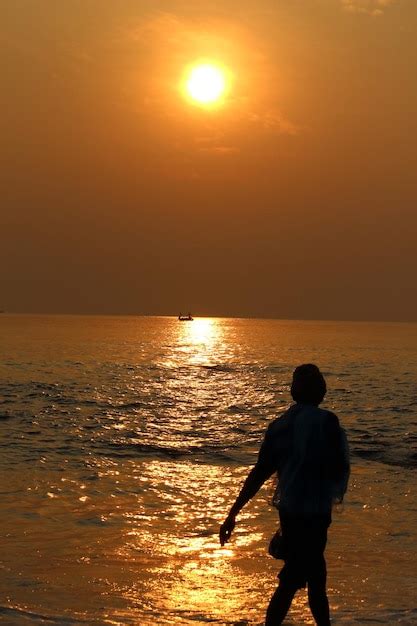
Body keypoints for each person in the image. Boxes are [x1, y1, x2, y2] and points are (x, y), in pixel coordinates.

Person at [219, 364, 350, 625]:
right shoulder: (328, 421)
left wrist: (232, 514)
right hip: (316, 512)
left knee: (313, 575)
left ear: (293, 391)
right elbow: (338, 467)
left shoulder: (279, 426)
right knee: (297, 577)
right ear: (320, 391)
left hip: (290, 511)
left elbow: (259, 474)